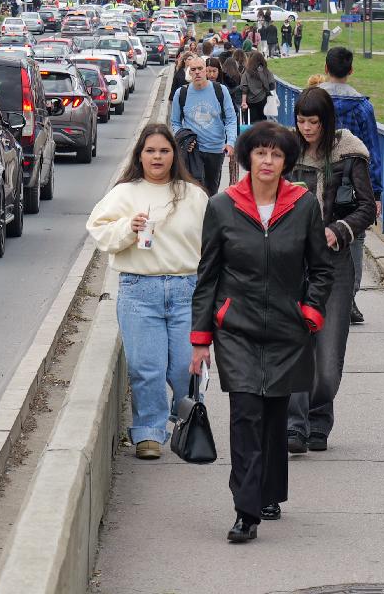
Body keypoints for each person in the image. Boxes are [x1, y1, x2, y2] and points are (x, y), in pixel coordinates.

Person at [190, 121, 334, 543]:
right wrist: (201, 338)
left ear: (286, 161)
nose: (268, 161)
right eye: (260, 153)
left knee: (274, 413)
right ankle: (245, 510)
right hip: (237, 329)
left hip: (289, 329)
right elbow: (207, 277)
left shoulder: (304, 205)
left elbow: (322, 269)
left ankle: (269, 493)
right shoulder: (222, 206)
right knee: (246, 412)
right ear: (248, 157)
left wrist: (310, 311)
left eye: (276, 154)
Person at [87, 123, 208, 460]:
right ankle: (149, 432)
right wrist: (129, 228)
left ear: (174, 155)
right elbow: (98, 231)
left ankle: (182, 419)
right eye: (150, 151)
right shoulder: (125, 193)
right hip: (140, 290)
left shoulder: (193, 195)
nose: (157, 157)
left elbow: (214, 243)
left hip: (186, 288)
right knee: (147, 366)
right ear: (140, 155)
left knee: (185, 366)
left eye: (164, 150)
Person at [286, 87, 376, 454]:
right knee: (295, 347)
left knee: (328, 360)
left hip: (334, 265)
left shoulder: (349, 155)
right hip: (291, 263)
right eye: (301, 121)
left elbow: (367, 208)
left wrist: (338, 231)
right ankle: (295, 424)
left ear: (327, 121)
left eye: (313, 122)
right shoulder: (285, 151)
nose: (306, 128)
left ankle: (319, 418)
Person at [320, 46, 384, 325]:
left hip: (319, 179)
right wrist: (376, 192)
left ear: (325, 68)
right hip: (352, 183)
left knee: (318, 234)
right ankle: (349, 298)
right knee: (355, 237)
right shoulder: (362, 107)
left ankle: (321, 295)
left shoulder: (313, 100)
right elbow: (372, 150)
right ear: (351, 71)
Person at [168, 56, 238, 196]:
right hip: (192, 151)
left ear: (206, 70)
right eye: (193, 69)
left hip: (215, 149)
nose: (197, 72)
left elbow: (231, 119)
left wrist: (230, 142)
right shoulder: (181, 93)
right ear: (189, 72)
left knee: (211, 192)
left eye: (200, 68)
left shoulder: (220, 91)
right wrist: (184, 139)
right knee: (194, 192)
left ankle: (208, 217)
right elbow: (175, 122)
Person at [241, 49, 274, 120]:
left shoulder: (247, 73)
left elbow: (244, 88)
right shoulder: (265, 71)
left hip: (250, 101)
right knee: (263, 121)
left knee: (251, 122)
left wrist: (243, 102)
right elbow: (272, 85)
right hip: (263, 99)